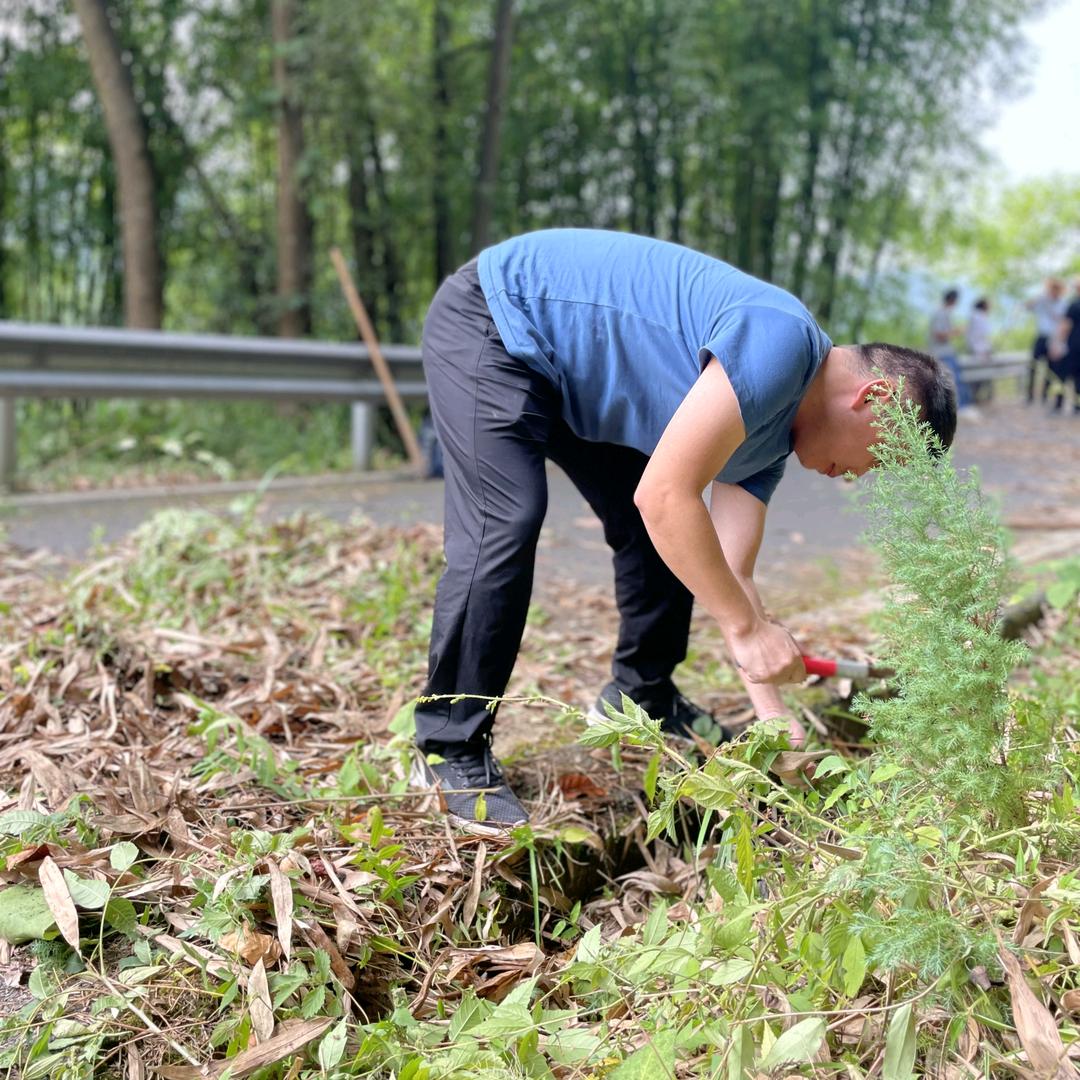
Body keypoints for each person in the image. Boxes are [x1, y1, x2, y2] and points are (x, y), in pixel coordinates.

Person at [411, 229, 957, 830]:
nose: (858, 476)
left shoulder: (772, 444)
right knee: (505, 521)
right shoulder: (779, 342)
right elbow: (665, 496)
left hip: (567, 370)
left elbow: (729, 570)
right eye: (880, 457)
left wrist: (774, 719)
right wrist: (749, 631)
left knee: (674, 538)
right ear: (873, 399)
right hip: (497, 318)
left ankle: (641, 692)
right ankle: (449, 746)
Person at [928, 289, 973, 415]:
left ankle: (960, 407)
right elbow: (939, 335)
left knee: (954, 379)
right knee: (954, 379)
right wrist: (957, 331)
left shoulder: (942, 313)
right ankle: (961, 408)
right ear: (953, 300)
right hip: (942, 353)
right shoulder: (940, 313)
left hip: (946, 352)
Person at [1025, 278, 1067, 403]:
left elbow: (1063, 322)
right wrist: (1041, 296)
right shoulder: (1042, 301)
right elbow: (1027, 306)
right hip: (1041, 336)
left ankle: (1045, 395)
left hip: (1054, 338)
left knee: (1051, 369)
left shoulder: (1062, 304)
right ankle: (1030, 395)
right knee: (1033, 366)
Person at [1048, 278, 1080, 414]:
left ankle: (1058, 405)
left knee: (1062, 374)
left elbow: (1065, 326)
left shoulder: (1074, 305)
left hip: (1073, 346)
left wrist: (1057, 344)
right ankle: (1077, 406)